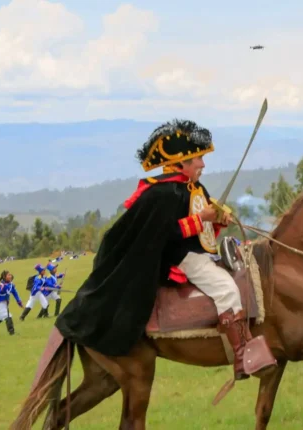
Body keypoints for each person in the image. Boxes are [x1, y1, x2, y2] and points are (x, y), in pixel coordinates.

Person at [55, 119, 276, 386]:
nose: (203, 165)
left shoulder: (193, 188)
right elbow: (163, 234)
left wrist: (216, 220)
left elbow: (203, 232)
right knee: (226, 288)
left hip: (200, 253)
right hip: (181, 258)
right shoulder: (163, 192)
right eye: (198, 160)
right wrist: (202, 218)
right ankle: (242, 356)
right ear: (182, 163)